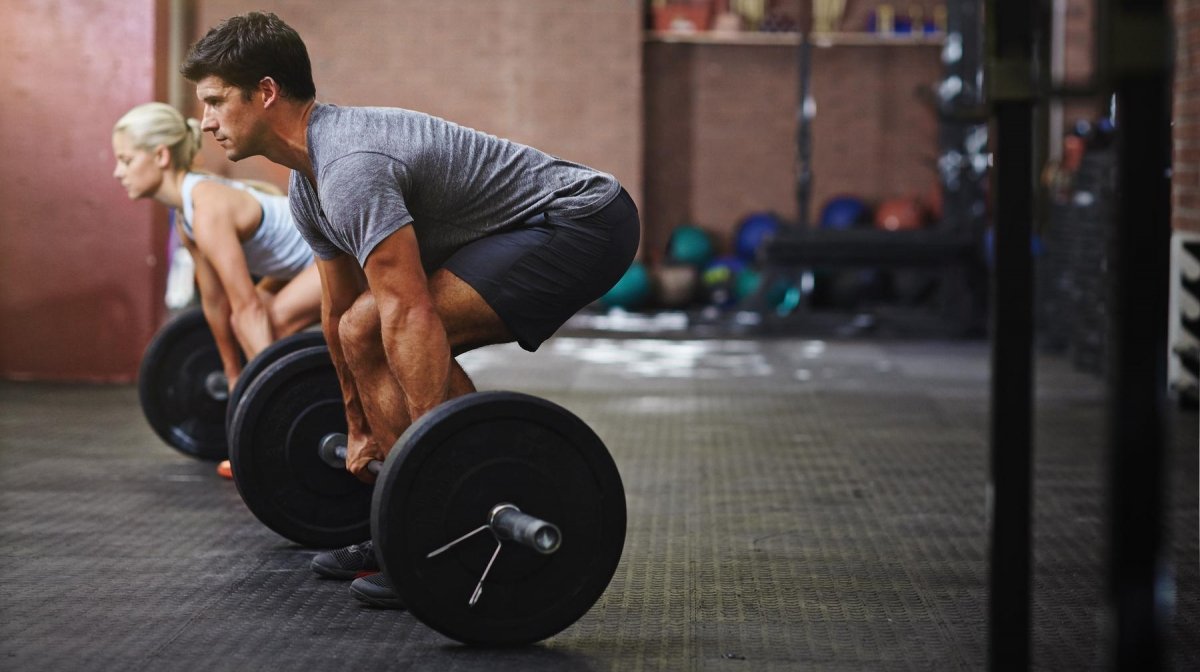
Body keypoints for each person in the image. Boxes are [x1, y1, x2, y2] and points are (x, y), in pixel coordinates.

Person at [180, 12, 640, 609]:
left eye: (216, 102)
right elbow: (337, 310)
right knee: (360, 326)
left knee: (384, 325)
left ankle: (437, 519)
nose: (207, 121)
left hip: (582, 220)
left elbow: (408, 314)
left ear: (265, 93)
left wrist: (429, 463)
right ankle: (406, 527)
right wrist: (356, 424)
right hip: (516, 230)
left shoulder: (350, 167)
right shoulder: (307, 184)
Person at [112, 102, 323, 478]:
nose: (118, 172)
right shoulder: (187, 215)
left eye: (126, 160)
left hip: (333, 253)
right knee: (252, 329)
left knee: (267, 322)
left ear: (160, 156)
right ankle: (269, 421)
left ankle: (278, 430)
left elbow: (247, 309)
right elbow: (215, 304)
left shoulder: (205, 207)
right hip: (296, 266)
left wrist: (260, 406)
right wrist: (231, 376)